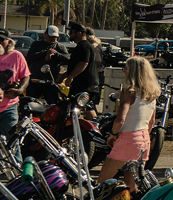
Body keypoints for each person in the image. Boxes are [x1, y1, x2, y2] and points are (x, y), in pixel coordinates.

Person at [97, 56, 163, 190]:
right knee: (131, 184)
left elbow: (120, 120)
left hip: (128, 139)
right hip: (144, 140)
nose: (124, 71)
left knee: (102, 183)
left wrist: (113, 135)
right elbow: (151, 121)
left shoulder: (128, 93)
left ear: (132, 71)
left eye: (125, 68)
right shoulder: (152, 94)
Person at [0, 26, 27, 138]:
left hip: (9, 107)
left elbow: (25, 76)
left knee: (12, 143)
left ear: (9, 41)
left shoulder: (17, 56)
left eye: (1, 39)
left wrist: (19, 90)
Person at [63, 22, 103, 104]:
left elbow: (83, 64)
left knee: (79, 106)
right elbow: (75, 66)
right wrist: (63, 76)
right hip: (82, 85)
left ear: (79, 33)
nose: (69, 34)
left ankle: (92, 118)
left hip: (85, 85)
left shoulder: (84, 46)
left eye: (71, 32)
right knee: (86, 107)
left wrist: (70, 77)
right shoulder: (82, 46)